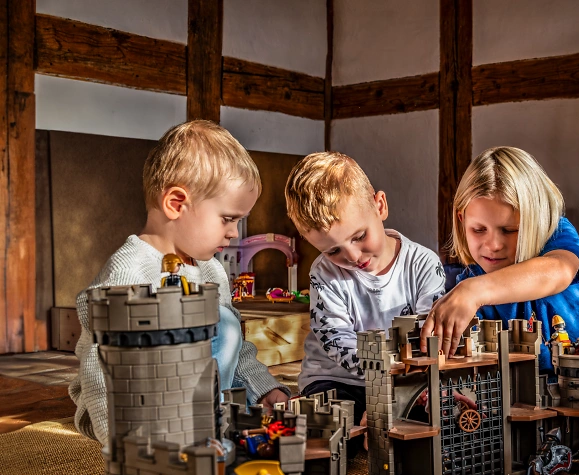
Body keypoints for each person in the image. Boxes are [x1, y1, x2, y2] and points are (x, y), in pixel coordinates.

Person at [70, 120, 289, 447]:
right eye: (228, 219)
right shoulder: (129, 274)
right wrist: (131, 445)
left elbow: (235, 348)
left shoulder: (211, 270)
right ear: (175, 203)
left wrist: (262, 387)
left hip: (207, 405)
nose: (233, 233)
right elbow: (102, 372)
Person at [420, 146, 579, 378]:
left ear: (536, 218)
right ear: (461, 220)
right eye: (479, 230)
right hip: (550, 392)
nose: (493, 245)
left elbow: (558, 271)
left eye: (509, 230)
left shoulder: (557, 235)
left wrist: (474, 291)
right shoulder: (468, 287)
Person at [285, 151, 445, 453]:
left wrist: (396, 391)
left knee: (429, 422)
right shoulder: (323, 272)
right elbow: (336, 341)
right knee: (331, 434)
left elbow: (428, 334)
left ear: (380, 206)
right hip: (335, 378)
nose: (353, 257)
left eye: (359, 236)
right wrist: (379, 394)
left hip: (403, 378)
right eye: (333, 251)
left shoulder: (423, 263)